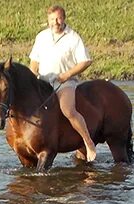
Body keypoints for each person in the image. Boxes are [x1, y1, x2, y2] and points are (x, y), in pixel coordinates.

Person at [28, 5, 97, 162]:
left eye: (58, 18)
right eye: (52, 19)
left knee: (68, 110)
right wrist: (32, 80)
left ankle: (88, 142)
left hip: (64, 82)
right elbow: (34, 63)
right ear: (48, 20)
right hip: (43, 81)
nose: (56, 22)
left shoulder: (73, 37)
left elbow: (86, 61)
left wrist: (67, 74)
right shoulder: (42, 37)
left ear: (64, 18)